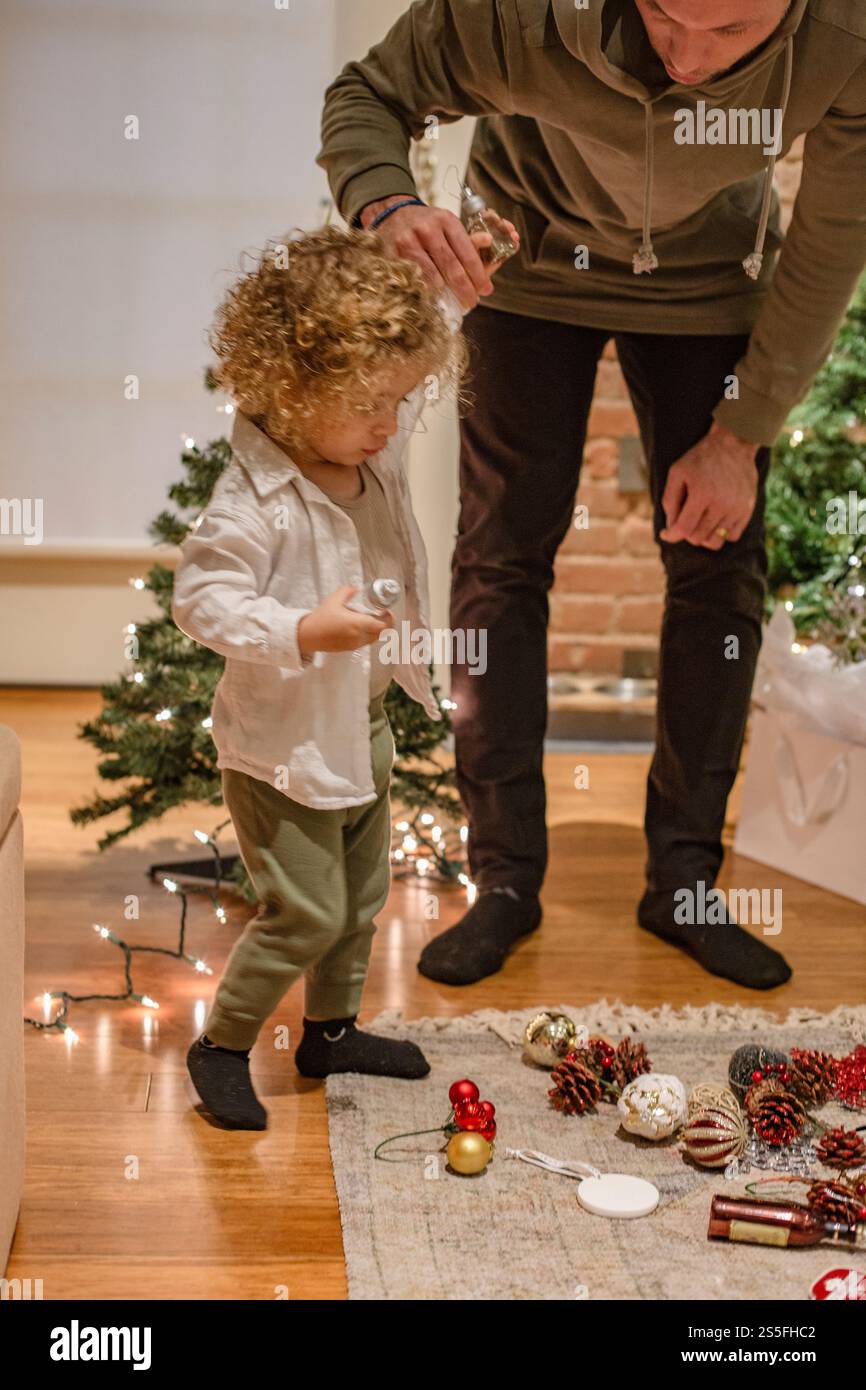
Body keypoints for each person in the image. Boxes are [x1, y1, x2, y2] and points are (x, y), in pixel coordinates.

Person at [317, 0, 866, 991]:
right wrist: (388, 205)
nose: (687, 61)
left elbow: (831, 239)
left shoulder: (846, 35)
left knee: (717, 560)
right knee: (501, 555)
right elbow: (370, 93)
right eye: (664, 18)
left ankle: (683, 881)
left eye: (731, 35)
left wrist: (740, 435)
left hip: (710, 283)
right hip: (528, 273)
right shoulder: (515, 12)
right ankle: (503, 878)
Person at [172, 222, 507, 1128]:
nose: (390, 423)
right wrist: (301, 629)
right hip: (285, 750)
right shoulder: (255, 497)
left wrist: (463, 279)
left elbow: (411, 344)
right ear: (295, 387)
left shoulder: (363, 444)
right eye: (370, 405)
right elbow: (199, 600)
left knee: (360, 900)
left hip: (365, 727)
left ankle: (330, 1033)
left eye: (398, 401)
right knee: (307, 911)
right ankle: (221, 1046)